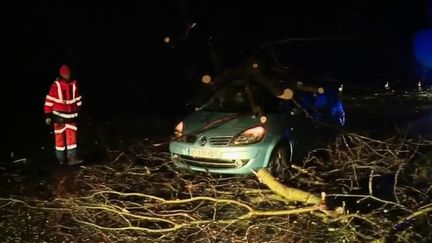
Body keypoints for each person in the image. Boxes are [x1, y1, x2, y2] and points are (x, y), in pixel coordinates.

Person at [44, 64, 83, 165]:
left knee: (71, 138)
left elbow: (78, 98)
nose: (67, 75)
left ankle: (71, 158)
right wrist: (47, 115)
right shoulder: (55, 86)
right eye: (65, 74)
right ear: (62, 74)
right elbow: (49, 100)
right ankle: (60, 159)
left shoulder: (74, 84)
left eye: (68, 73)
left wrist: (79, 108)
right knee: (59, 138)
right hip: (59, 117)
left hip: (71, 116)